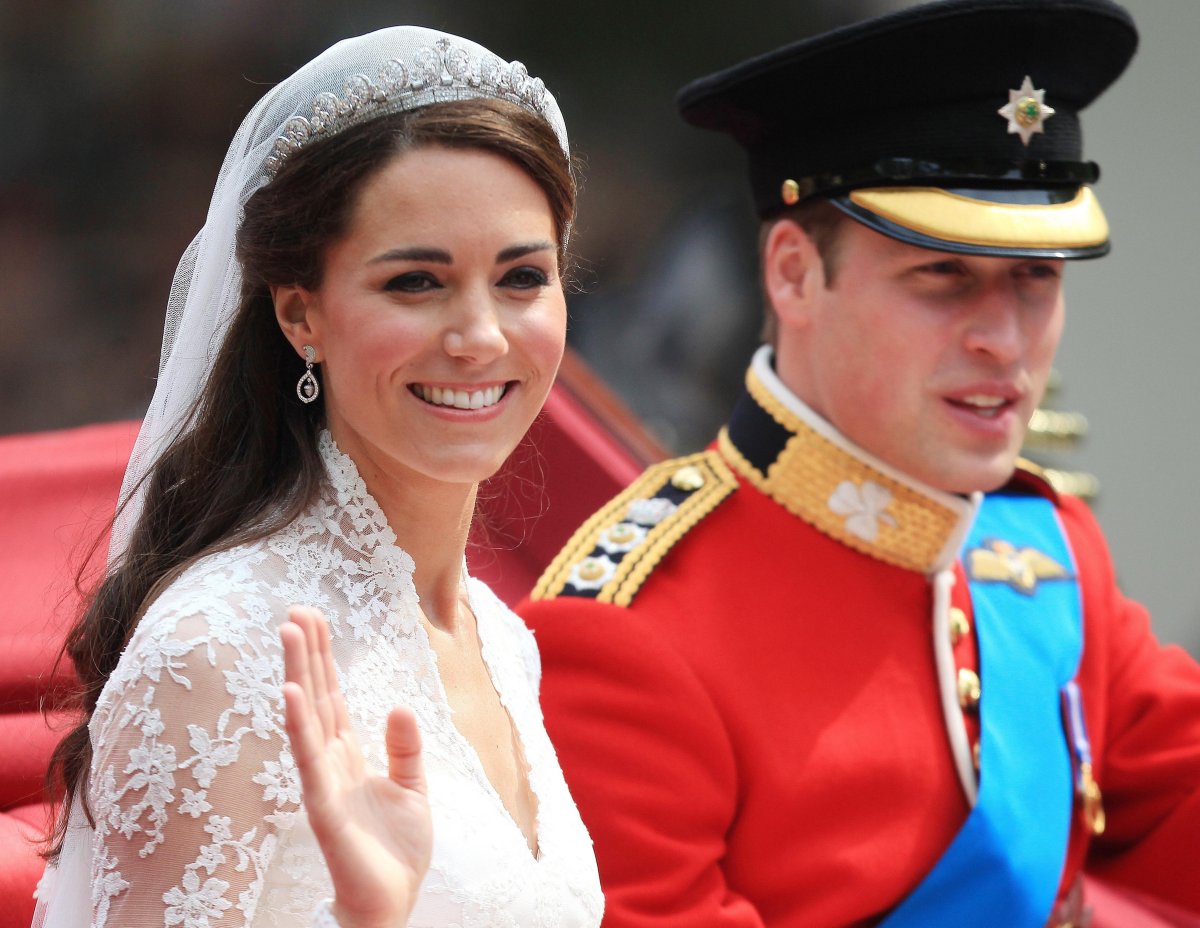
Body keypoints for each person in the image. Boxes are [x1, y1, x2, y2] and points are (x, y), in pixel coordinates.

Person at [519, 1, 1200, 926]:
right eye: (943, 276)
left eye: (1037, 277)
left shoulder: (1049, 549)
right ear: (795, 274)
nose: (1006, 340)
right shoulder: (629, 634)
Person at [34, 25, 603, 928]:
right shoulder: (217, 651)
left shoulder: (502, 639)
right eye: (417, 282)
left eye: (522, 278)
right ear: (303, 315)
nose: (482, 336)